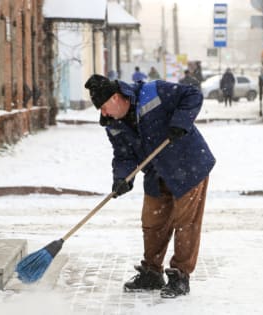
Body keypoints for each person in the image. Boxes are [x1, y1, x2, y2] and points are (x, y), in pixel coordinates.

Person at [84, 74, 215, 298]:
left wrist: (180, 122)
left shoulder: (153, 92)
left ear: (116, 97)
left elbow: (192, 95)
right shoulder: (113, 124)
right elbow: (123, 155)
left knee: (186, 223)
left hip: (188, 165)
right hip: (156, 172)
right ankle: (152, 273)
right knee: (152, 222)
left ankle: (180, 276)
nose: (103, 113)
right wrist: (121, 178)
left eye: (104, 107)